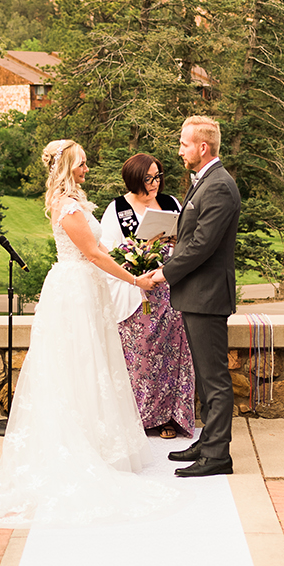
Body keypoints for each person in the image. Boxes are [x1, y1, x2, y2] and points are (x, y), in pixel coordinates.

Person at [0, 140, 169, 527]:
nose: (87, 169)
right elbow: (93, 254)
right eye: (81, 163)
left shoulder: (76, 201)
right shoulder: (67, 205)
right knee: (74, 365)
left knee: (92, 364)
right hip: (75, 292)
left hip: (86, 290)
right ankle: (75, 444)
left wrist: (138, 250)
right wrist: (133, 279)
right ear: (65, 167)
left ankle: (98, 441)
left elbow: (102, 248)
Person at [160, 117, 242, 478]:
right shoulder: (206, 182)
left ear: (202, 147)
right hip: (197, 295)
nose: (180, 150)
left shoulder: (220, 186)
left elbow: (203, 245)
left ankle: (218, 455)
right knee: (205, 376)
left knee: (215, 377)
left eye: (184, 144)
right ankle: (207, 440)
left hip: (207, 295)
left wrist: (165, 271)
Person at [99, 152, 195, 440]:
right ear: (134, 179)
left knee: (172, 355)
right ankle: (138, 418)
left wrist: (176, 240)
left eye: (158, 177)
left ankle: (169, 417)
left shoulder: (170, 203)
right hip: (135, 291)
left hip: (170, 289)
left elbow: (186, 239)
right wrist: (141, 253)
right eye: (148, 178)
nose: (155, 183)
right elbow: (108, 252)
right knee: (140, 357)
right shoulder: (117, 209)